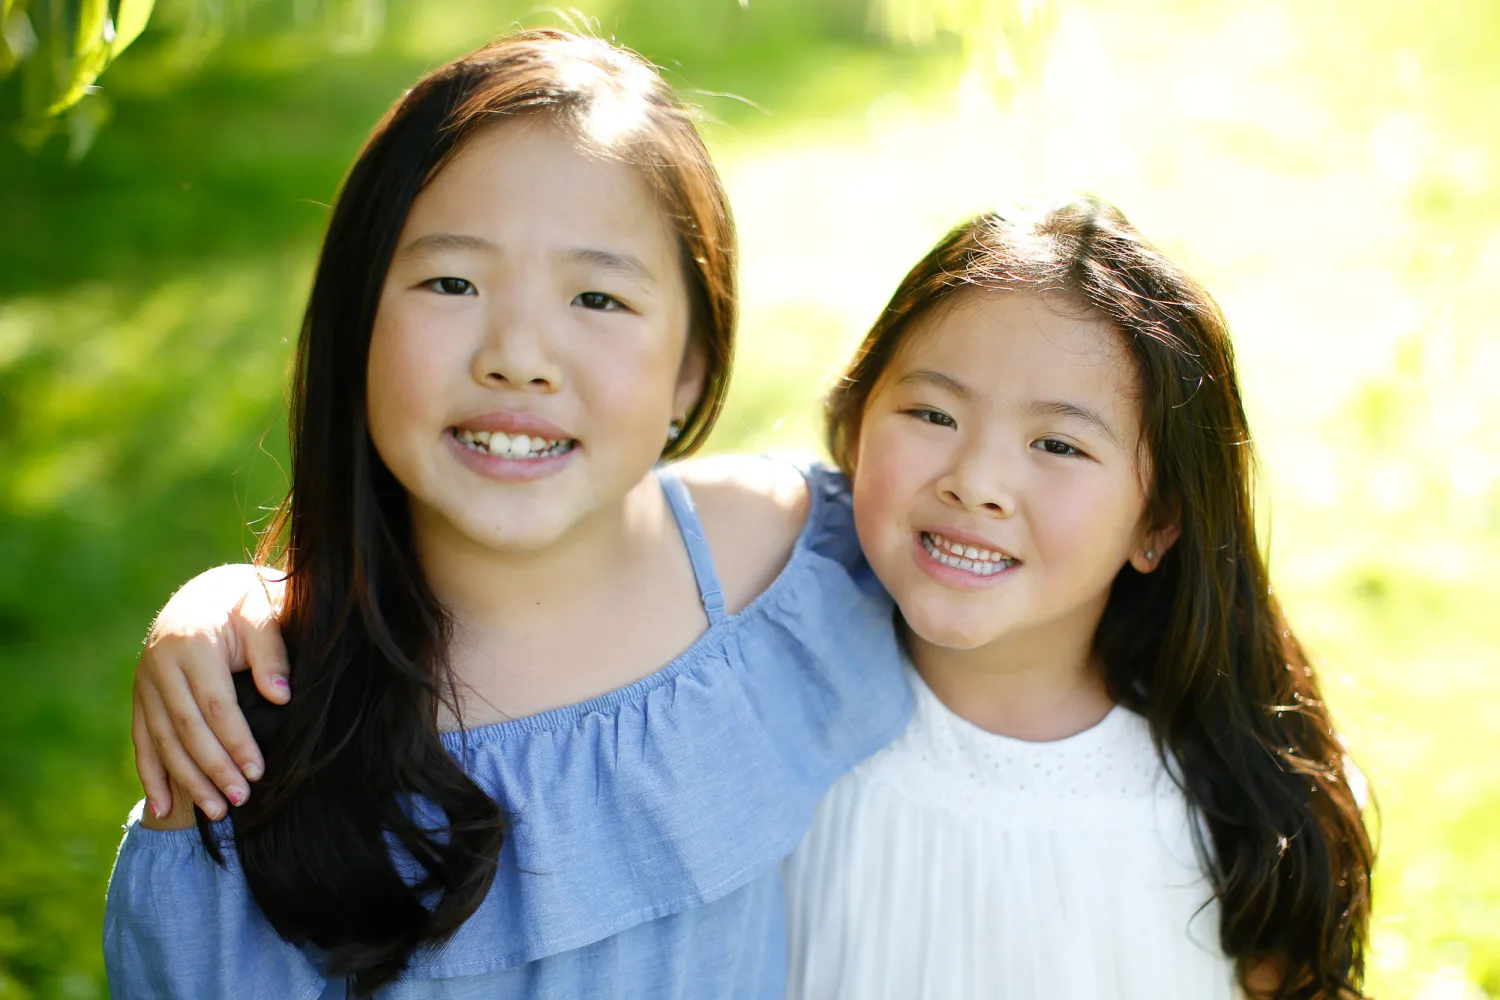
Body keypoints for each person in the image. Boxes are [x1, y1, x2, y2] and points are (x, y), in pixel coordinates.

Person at [103, 28, 910, 999]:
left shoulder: (783, 566)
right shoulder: (255, 732)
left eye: (599, 298)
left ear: (689, 370)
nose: (519, 355)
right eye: (453, 283)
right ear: (356, 325)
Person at [783, 197, 1374, 999]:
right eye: (933, 413)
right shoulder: (768, 714)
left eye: (1057, 444)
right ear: (855, 426)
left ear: (1159, 522)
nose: (978, 483)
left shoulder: (1232, 815)